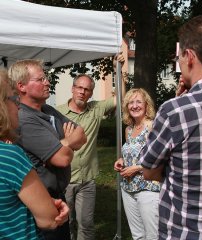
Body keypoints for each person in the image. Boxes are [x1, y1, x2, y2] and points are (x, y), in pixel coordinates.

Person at [140, 14, 202, 239]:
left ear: (190, 56)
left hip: (186, 232)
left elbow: (148, 171)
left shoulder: (175, 110)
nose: (179, 63)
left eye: (179, 57)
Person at [8, 59, 87, 240]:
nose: (47, 82)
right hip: (39, 203)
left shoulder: (48, 110)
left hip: (58, 198)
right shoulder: (23, 118)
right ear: (22, 86)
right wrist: (67, 142)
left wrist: (63, 145)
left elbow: (81, 134)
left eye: (46, 78)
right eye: (41, 79)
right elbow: (62, 159)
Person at [56, 54, 126, 240]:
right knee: (66, 222)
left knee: (86, 223)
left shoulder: (96, 109)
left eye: (86, 89)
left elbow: (121, 99)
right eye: (79, 87)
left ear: (91, 93)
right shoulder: (57, 112)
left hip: (87, 180)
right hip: (64, 180)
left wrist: (118, 70)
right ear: (72, 89)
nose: (82, 92)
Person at [0, 69, 69, 239]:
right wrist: (67, 142)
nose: (18, 104)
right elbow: (49, 220)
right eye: (13, 98)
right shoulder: (10, 157)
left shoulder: (49, 110)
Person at [114, 88, 162, 240]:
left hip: (147, 187)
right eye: (130, 102)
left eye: (138, 102)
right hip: (128, 188)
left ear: (146, 105)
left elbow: (161, 157)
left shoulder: (152, 126)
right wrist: (122, 161)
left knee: (152, 235)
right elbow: (131, 152)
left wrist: (136, 168)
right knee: (138, 235)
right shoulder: (129, 129)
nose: (134, 106)